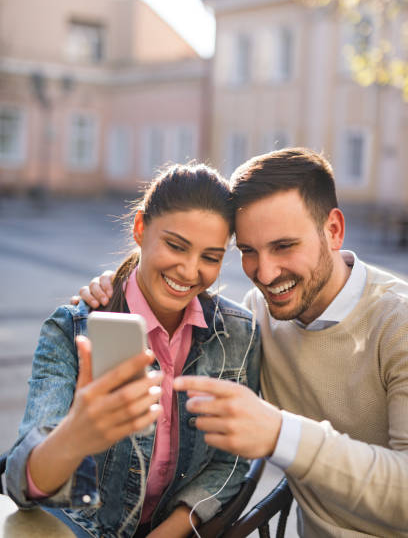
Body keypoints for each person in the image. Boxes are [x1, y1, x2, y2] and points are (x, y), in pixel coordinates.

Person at [84, 148, 408, 537]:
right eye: (248, 252)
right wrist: (120, 285)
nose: (266, 273)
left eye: (284, 246)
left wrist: (280, 433)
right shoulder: (260, 317)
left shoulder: (397, 324)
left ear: (334, 230)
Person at [6, 163, 260, 538]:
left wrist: (168, 533)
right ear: (141, 228)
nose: (190, 271)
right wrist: (75, 433)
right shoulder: (72, 329)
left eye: (211, 257)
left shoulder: (238, 334)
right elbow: (22, 485)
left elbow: (231, 461)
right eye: (175, 245)